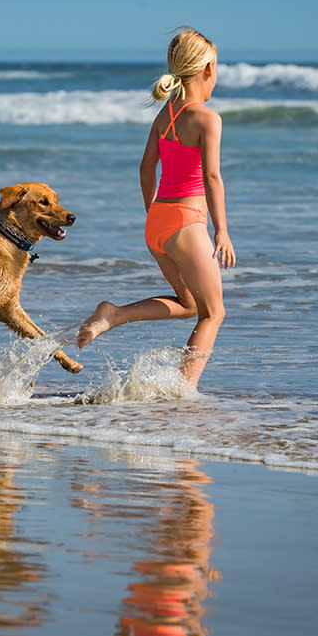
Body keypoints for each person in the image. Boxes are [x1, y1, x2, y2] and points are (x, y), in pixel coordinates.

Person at [77, 27, 235, 387]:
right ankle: (184, 389)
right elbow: (212, 177)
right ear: (207, 70)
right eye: (217, 68)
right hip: (186, 224)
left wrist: (154, 212)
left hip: (159, 222)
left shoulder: (166, 116)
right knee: (213, 313)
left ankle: (114, 314)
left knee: (190, 305)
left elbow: (146, 167)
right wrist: (222, 231)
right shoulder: (208, 118)